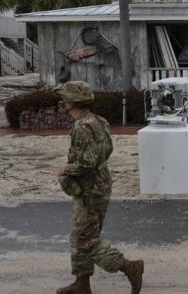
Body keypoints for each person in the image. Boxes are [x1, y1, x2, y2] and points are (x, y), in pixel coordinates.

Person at [54, 81, 144, 294]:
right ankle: (82, 283)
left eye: (65, 97)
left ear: (73, 101)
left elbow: (88, 162)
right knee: (80, 235)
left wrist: (65, 169)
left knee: (86, 240)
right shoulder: (98, 121)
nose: (63, 101)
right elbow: (107, 150)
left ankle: (129, 267)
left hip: (89, 190)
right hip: (95, 186)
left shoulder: (82, 126)